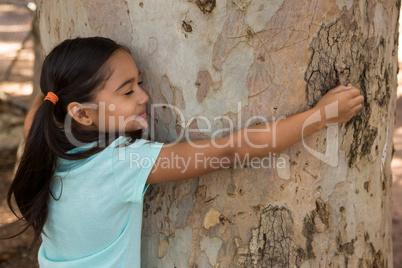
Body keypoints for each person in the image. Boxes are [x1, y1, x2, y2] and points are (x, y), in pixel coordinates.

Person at [7, 37, 364, 267]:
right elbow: (231, 150)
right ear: (81, 113)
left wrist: (57, 82)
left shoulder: (46, 145)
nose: (144, 97)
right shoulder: (122, 163)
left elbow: (45, 103)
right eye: (127, 91)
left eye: (140, 84)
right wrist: (321, 116)